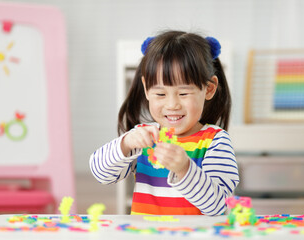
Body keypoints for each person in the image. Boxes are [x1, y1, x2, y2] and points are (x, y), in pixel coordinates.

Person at [89, 30, 239, 216]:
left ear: (208, 89)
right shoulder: (145, 137)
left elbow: (219, 206)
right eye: (160, 94)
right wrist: (126, 143)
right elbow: (101, 174)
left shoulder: (216, 141)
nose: (172, 105)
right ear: (146, 89)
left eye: (183, 94)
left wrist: (184, 169)